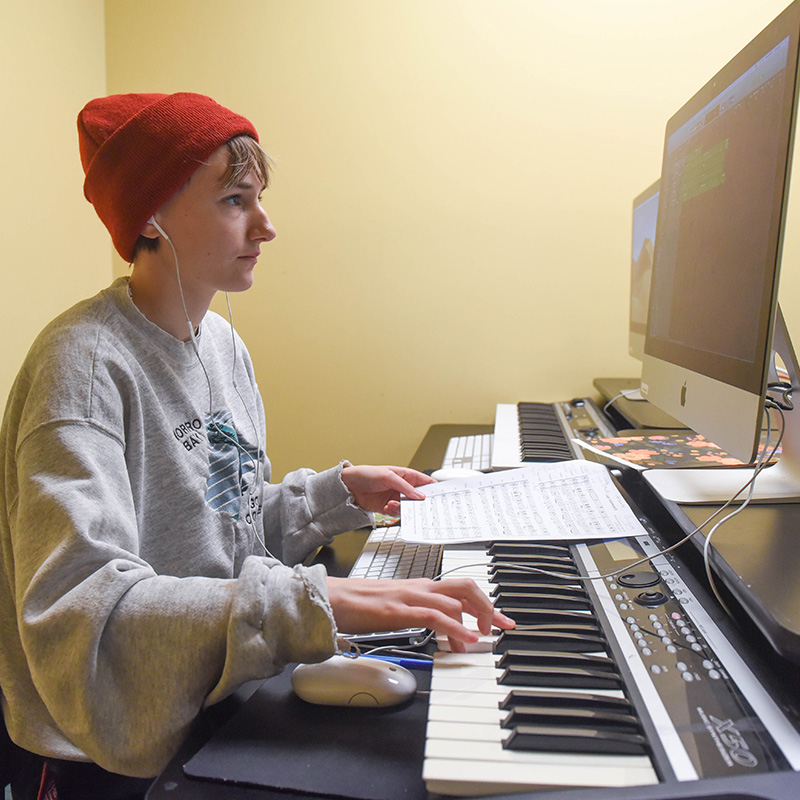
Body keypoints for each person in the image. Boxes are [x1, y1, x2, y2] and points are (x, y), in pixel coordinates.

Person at [0, 92, 514, 799]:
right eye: (236, 200)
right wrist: (319, 601)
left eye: (259, 199)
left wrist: (333, 497)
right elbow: (84, 615)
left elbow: (219, 519)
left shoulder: (220, 345)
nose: (266, 226)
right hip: (114, 750)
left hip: (214, 693)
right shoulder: (84, 372)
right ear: (151, 215)